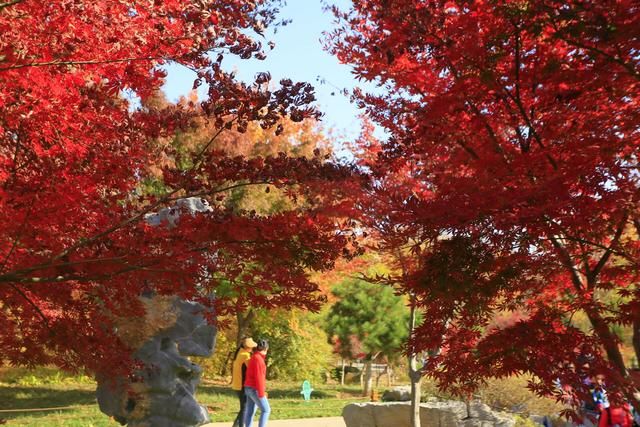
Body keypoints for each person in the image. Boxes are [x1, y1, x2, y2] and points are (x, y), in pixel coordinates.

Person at [231, 337, 257, 427]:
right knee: (244, 408)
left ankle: (236, 425)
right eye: (251, 347)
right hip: (241, 385)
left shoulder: (239, 352)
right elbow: (252, 368)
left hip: (236, 384)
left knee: (243, 407)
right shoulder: (245, 355)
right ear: (247, 347)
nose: (252, 349)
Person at [244, 339, 271, 427]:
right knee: (266, 410)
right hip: (254, 388)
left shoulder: (254, 356)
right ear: (266, 349)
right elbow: (259, 378)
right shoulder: (259, 360)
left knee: (250, 412)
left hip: (248, 387)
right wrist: (261, 393)